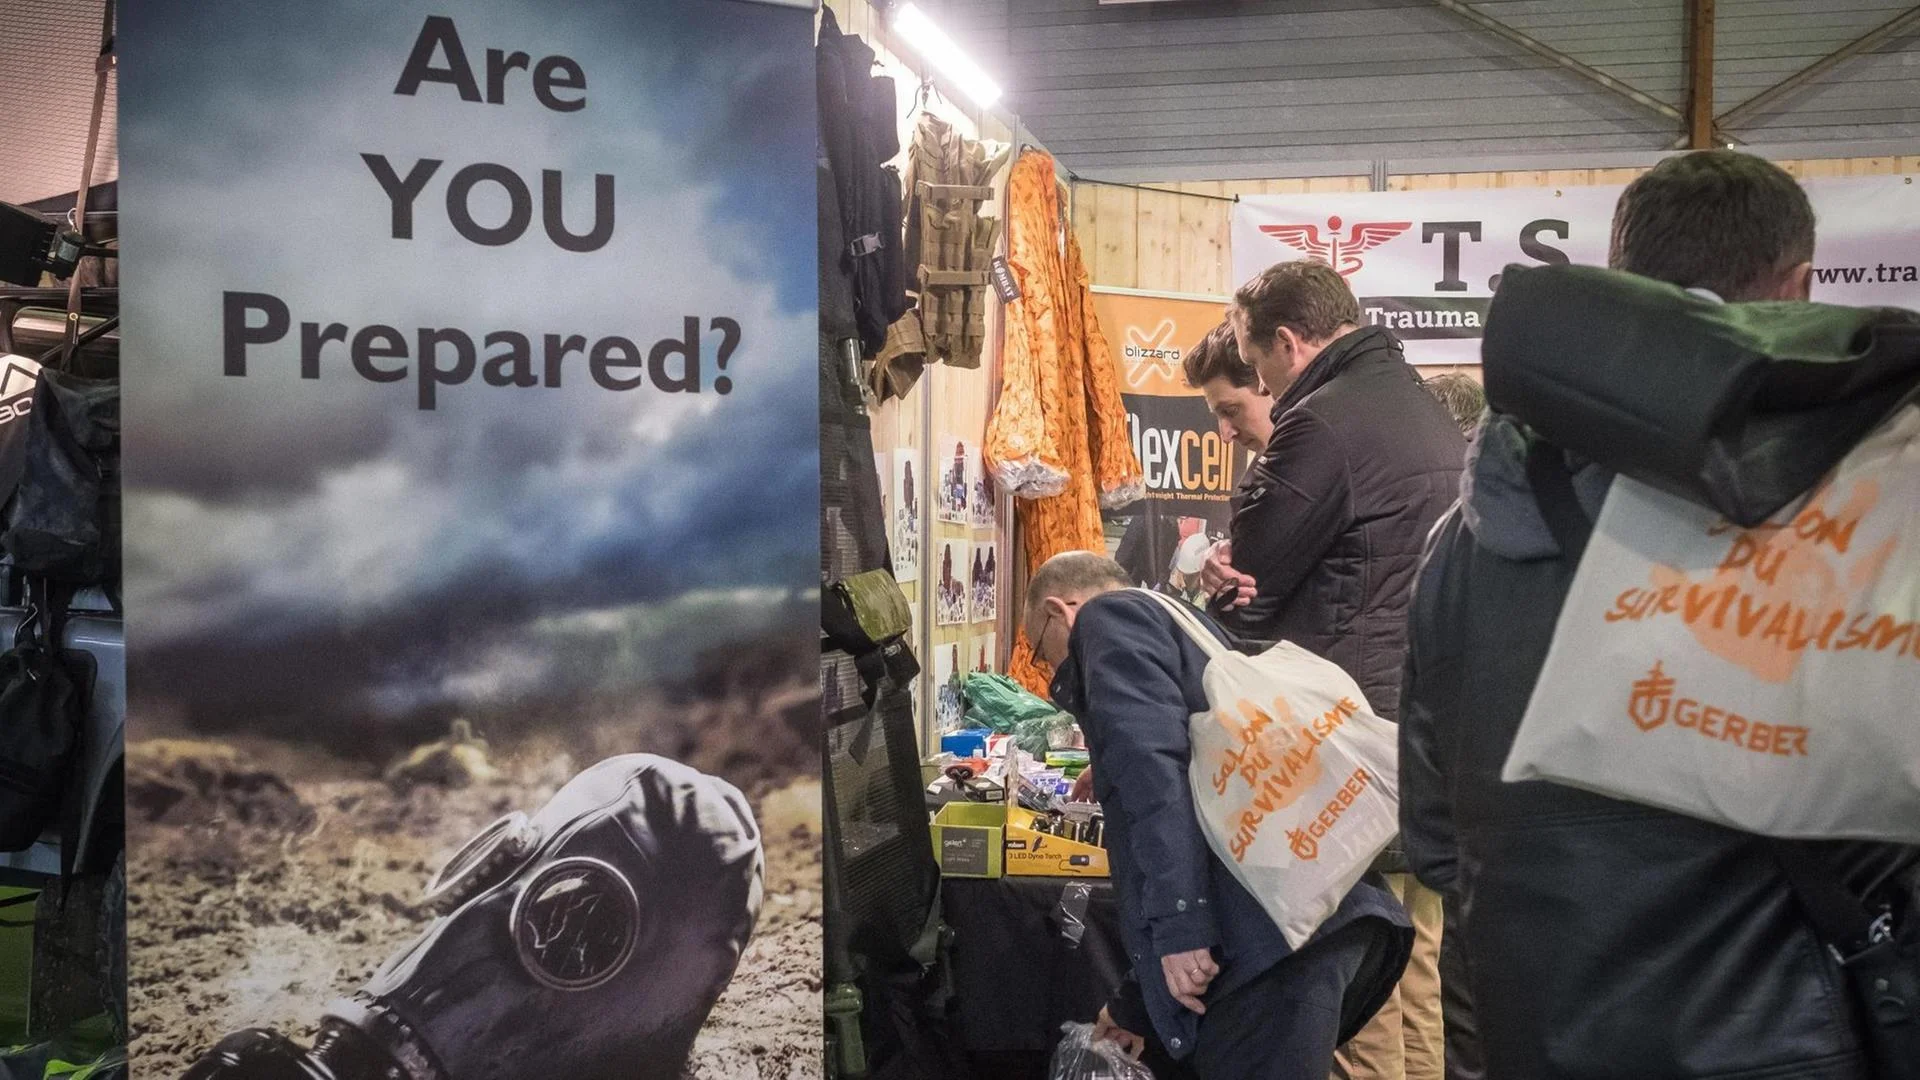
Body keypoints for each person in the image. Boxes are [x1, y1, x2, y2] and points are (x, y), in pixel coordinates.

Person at [1399, 149, 1920, 1079]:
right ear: (1799, 286)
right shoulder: (1862, 505)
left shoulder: (1465, 538)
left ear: (1622, 277)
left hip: (1539, 1035)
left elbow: (1436, 836)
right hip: (1787, 1038)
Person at [1200, 262, 1463, 1080]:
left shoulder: (1321, 423)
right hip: (1426, 739)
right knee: (1418, 978)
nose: (1265, 387)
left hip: (1344, 749)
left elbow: (1250, 582)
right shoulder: (1426, 408)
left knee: (1358, 990)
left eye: (1258, 364)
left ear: (1287, 341)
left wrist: (1221, 578)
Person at [1028, 552, 1411, 1080]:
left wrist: (1181, 924)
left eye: (1040, 651)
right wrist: (1133, 1008)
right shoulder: (1176, 619)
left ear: (1060, 610)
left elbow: (1155, 781)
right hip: (1309, 922)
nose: (1051, 669)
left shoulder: (1105, 619)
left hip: (1268, 951)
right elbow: (1193, 777)